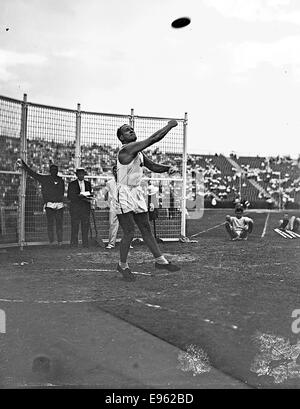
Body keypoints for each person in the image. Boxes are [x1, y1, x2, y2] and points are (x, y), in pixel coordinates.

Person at [115, 121, 180, 281]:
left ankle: (160, 261)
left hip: (136, 191)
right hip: (123, 192)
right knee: (129, 231)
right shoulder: (127, 149)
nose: (131, 130)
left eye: (131, 129)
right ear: (122, 138)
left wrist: (167, 168)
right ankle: (122, 265)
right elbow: (153, 139)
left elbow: (152, 166)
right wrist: (169, 126)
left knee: (145, 228)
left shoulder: (139, 153)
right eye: (127, 131)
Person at [20, 160, 65, 245]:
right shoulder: (45, 179)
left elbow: (62, 192)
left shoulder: (61, 180)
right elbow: (33, 174)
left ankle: (60, 241)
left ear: (57, 171)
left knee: (59, 224)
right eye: (52, 170)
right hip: (49, 204)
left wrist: (60, 202)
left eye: (56, 170)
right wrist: (25, 166)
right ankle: (51, 241)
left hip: (59, 205)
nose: (54, 172)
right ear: (50, 171)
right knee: (50, 224)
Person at [102, 165, 133, 250]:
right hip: (114, 206)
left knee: (126, 225)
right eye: (114, 171)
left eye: (118, 170)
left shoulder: (126, 182)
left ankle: (128, 243)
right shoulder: (109, 183)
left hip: (124, 206)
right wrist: (108, 203)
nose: (116, 172)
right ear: (113, 172)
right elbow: (104, 193)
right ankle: (111, 244)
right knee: (112, 225)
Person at [67, 168, 93, 248]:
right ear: (77, 175)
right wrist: (79, 196)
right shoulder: (72, 184)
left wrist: (87, 196)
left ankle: (85, 243)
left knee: (85, 227)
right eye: (80, 174)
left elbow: (90, 195)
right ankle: (74, 244)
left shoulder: (88, 183)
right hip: (75, 208)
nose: (81, 175)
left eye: (83, 174)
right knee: (75, 226)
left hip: (85, 208)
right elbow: (69, 196)